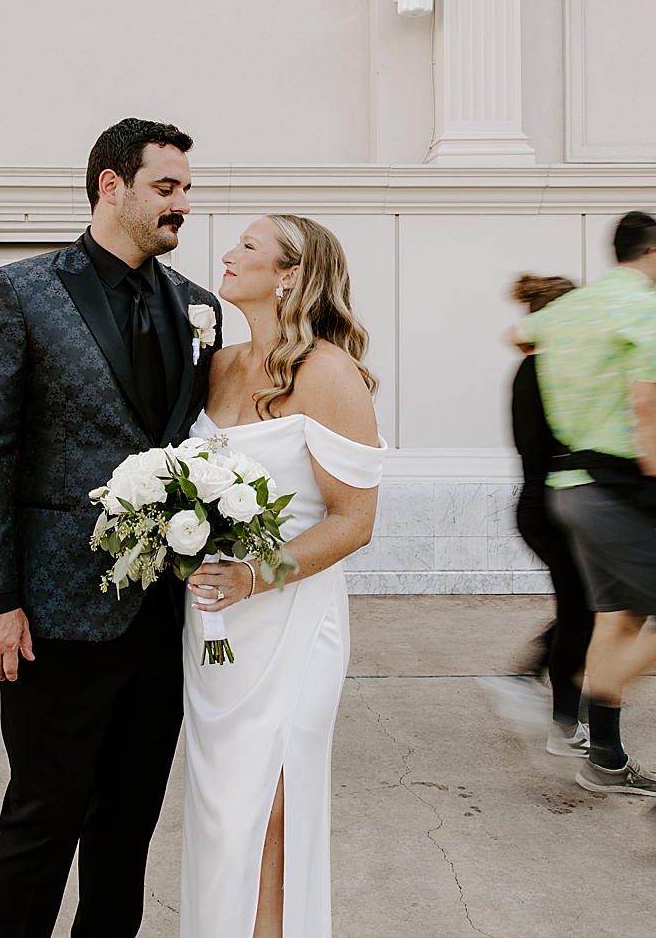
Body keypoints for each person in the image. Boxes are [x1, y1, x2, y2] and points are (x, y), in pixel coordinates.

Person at [0, 118, 221, 938]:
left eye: (186, 191)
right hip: (53, 612)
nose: (181, 207)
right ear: (111, 184)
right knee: (41, 817)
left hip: (161, 616)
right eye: (166, 188)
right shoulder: (19, 291)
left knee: (126, 827)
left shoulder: (199, 307)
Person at [180, 214, 384, 938]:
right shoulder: (218, 362)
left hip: (288, 616)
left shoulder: (326, 371)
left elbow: (354, 519)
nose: (228, 256)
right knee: (220, 804)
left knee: (270, 801)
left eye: (247, 247)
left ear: (290, 273)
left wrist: (254, 578)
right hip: (212, 624)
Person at [517, 211, 656, 799]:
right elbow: (654, 411)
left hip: (570, 489)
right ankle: (576, 696)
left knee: (618, 617)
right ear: (654, 252)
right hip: (622, 490)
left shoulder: (575, 308)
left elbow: (519, 336)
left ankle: (605, 757)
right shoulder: (642, 305)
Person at [479, 273, 594, 758]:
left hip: (545, 504)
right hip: (551, 505)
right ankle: (561, 717)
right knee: (581, 610)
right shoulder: (547, 370)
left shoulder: (543, 368)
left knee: (583, 607)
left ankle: (535, 684)